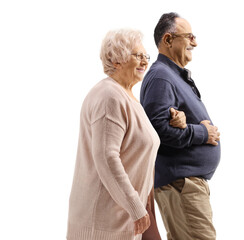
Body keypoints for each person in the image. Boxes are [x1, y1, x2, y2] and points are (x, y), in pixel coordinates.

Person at [66, 29, 184, 240]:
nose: (144, 62)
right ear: (116, 60)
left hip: (126, 221)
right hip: (103, 225)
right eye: (137, 55)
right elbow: (107, 158)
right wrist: (137, 209)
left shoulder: (128, 98)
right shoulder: (108, 96)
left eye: (145, 56)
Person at [140, 13, 221, 240]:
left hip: (186, 185)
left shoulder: (171, 75)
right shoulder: (161, 77)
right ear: (168, 40)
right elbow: (156, 130)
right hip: (182, 185)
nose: (195, 42)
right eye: (190, 36)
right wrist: (203, 132)